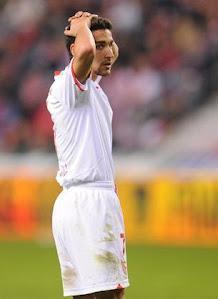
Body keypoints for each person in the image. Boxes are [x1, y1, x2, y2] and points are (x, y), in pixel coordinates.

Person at [46, 11, 129, 298]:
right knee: (110, 295)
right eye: (100, 45)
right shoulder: (68, 86)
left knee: (90, 295)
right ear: (75, 49)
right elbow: (84, 50)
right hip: (90, 203)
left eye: (110, 44)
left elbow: (97, 53)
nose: (108, 52)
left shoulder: (92, 90)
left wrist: (99, 33)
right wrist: (81, 26)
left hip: (80, 202)